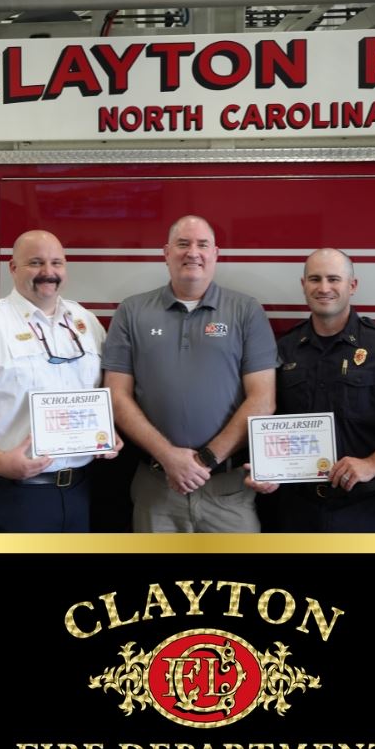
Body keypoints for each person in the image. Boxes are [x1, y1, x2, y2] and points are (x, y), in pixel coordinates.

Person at [0, 229, 121, 532]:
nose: (48, 272)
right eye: (36, 263)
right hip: (13, 495)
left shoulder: (86, 322)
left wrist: (107, 430)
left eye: (57, 263)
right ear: (12, 267)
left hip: (80, 491)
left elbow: (104, 392)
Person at [102, 215, 277, 533]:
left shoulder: (246, 311)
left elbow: (263, 399)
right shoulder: (132, 311)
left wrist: (205, 460)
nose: (192, 252)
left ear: (216, 254)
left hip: (228, 490)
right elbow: (116, 396)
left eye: (202, 244)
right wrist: (169, 457)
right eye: (183, 244)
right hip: (156, 488)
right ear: (166, 253)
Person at [247, 248, 375, 532]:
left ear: (352, 286)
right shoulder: (283, 350)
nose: (324, 288)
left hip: (368, 509)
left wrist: (372, 464)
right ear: (303, 285)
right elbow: (268, 420)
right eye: (315, 279)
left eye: (334, 279)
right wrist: (266, 470)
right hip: (297, 511)